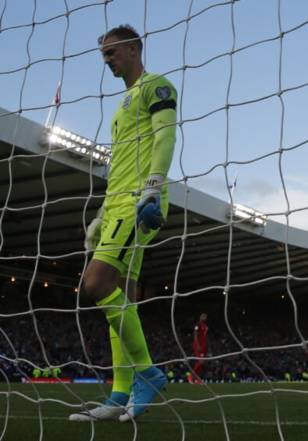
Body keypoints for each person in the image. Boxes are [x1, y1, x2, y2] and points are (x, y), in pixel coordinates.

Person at [70, 24, 177, 423]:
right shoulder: (120, 107)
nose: (108, 60)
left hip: (138, 205)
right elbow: (120, 167)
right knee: (121, 299)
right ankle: (118, 394)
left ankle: (148, 373)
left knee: (95, 284)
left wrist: (154, 186)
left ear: (134, 48)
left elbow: (166, 137)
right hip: (116, 205)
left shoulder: (157, 86)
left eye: (113, 52)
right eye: (104, 55)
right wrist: (100, 214)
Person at [191, 313, 209, 384]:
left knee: (202, 362)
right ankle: (191, 376)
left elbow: (204, 336)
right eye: (203, 316)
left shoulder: (205, 326)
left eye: (205, 317)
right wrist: (197, 344)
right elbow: (195, 333)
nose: (204, 318)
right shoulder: (197, 324)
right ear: (200, 317)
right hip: (198, 345)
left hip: (204, 345)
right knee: (200, 361)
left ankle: (196, 379)